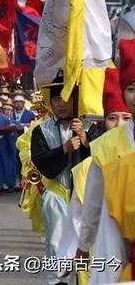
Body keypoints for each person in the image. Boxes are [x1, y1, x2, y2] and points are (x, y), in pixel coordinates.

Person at [56, 67, 132, 283]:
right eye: (112, 118)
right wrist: (76, 251)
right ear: (102, 122)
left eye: (125, 118)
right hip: (110, 245)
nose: (119, 125)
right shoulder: (93, 161)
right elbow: (81, 215)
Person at [75, 39, 135, 283]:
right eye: (132, 88)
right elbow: (92, 205)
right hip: (117, 239)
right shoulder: (105, 148)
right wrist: (83, 245)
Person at [31, 74, 92, 285]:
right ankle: (57, 282)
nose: (62, 103)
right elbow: (40, 161)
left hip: (85, 194)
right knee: (55, 245)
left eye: (66, 98)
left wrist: (85, 140)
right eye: (57, 99)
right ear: (51, 102)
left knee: (87, 244)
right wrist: (64, 149)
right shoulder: (41, 130)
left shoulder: (89, 127)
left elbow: (99, 158)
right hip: (57, 194)